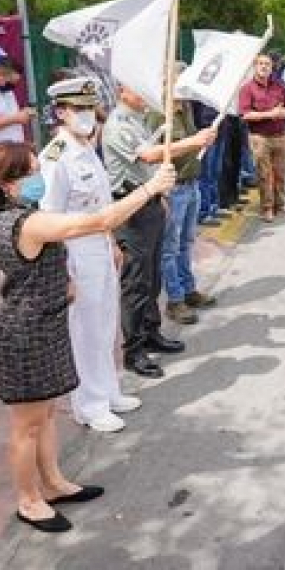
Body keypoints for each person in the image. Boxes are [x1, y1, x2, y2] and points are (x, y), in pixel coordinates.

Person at [0, 140, 173, 531]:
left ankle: (53, 484)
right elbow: (96, 221)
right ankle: (29, 500)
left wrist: (59, 280)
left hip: (44, 326)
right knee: (27, 425)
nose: (38, 177)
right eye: (30, 172)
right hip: (24, 335)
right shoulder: (25, 222)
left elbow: (17, 271)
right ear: (4, 183)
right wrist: (149, 189)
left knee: (47, 414)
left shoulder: (21, 216)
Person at [40, 77, 154, 431]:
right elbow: (50, 218)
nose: (87, 115)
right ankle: (89, 406)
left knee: (105, 324)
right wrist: (64, 273)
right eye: (78, 109)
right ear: (61, 112)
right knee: (85, 331)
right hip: (75, 251)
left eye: (89, 107)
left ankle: (109, 390)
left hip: (101, 246)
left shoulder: (87, 148)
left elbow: (102, 203)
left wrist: (112, 242)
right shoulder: (54, 157)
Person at [102, 82, 214, 379]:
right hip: (130, 207)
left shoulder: (138, 119)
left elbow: (151, 165)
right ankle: (134, 350)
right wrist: (195, 142)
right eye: (138, 86)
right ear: (122, 91)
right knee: (136, 283)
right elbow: (150, 156)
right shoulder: (118, 124)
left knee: (151, 278)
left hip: (149, 200)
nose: (144, 91)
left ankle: (151, 332)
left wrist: (160, 197)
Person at [159, 97, 218, 326]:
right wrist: (194, 141)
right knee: (170, 248)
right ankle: (175, 299)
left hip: (192, 183)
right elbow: (158, 152)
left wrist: (203, 140)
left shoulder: (185, 110)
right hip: (175, 188)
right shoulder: (160, 114)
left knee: (186, 243)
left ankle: (188, 289)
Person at [238, 53, 285, 223]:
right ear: (255, 67)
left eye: (267, 64)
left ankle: (280, 204)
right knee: (264, 174)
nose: (264, 67)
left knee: (281, 172)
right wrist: (270, 114)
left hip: (281, 135)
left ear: (272, 67)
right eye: (261, 64)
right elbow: (245, 114)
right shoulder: (247, 88)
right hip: (260, 137)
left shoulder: (279, 86)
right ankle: (267, 208)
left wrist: (283, 112)